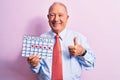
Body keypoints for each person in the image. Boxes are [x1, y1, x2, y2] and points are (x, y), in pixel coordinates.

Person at [27, 2, 96, 80]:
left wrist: (82, 52)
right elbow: (37, 69)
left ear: (67, 18)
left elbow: (91, 64)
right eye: (52, 15)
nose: (56, 19)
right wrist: (34, 64)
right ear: (48, 17)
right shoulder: (41, 39)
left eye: (60, 15)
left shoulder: (78, 37)